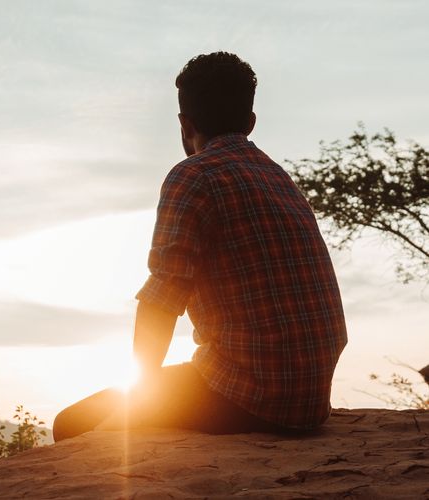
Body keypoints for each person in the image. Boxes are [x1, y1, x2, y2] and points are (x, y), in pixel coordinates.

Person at [53, 52, 348, 442]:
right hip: (311, 399)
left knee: (73, 423)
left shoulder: (192, 176)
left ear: (184, 124)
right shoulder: (278, 176)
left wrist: (141, 392)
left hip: (250, 396)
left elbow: (163, 297)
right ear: (251, 122)